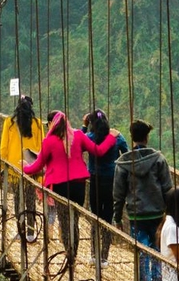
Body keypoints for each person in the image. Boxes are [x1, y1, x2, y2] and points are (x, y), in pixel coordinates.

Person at [22, 111, 112, 260]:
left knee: (64, 220)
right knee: (74, 219)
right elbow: (98, 151)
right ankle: (74, 252)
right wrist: (110, 138)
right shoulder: (78, 135)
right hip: (79, 185)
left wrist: (24, 167)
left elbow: (37, 166)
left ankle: (69, 253)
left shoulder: (49, 141)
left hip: (60, 185)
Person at [113, 120, 173, 281]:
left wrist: (117, 217)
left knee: (141, 253)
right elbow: (167, 188)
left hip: (136, 215)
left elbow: (118, 194)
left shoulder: (124, 164)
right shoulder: (158, 159)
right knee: (156, 250)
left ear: (131, 136)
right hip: (157, 214)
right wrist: (169, 213)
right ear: (147, 137)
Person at [83, 109, 128, 263]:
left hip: (94, 181)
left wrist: (84, 126)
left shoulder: (89, 137)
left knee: (95, 218)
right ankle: (104, 257)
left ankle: (93, 255)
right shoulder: (117, 137)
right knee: (107, 218)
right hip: (112, 181)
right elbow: (127, 155)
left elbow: (76, 144)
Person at [0, 95, 44, 229]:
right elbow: (42, 146)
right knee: (31, 200)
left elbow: (3, 148)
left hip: (14, 167)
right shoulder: (37, 123)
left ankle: (20, 230)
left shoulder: (9, 122)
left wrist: (4, 166)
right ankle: (31, 231)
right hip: (32, 167)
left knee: (18, 199)